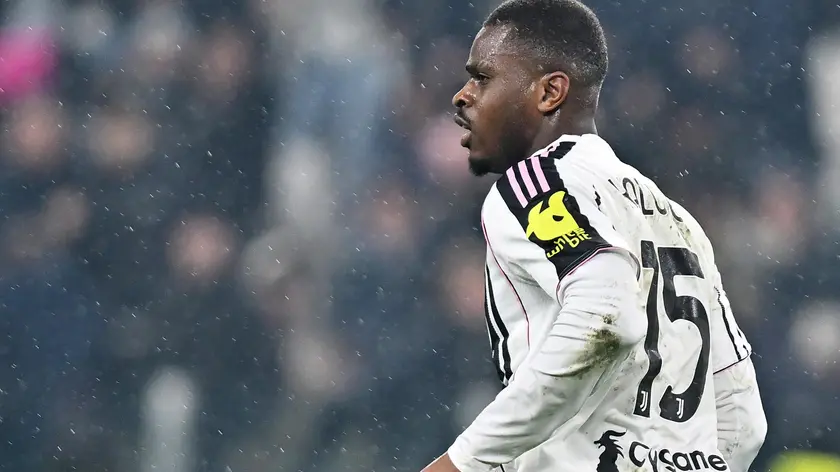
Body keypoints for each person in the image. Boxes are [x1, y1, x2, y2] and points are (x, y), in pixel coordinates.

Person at [420, 1, 767, 472]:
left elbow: (605, 314)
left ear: (550, 92)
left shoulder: (534, 186)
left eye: (483, 77)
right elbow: (744, 420)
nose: (462, 96)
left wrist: (463, 461)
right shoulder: (676, 219)